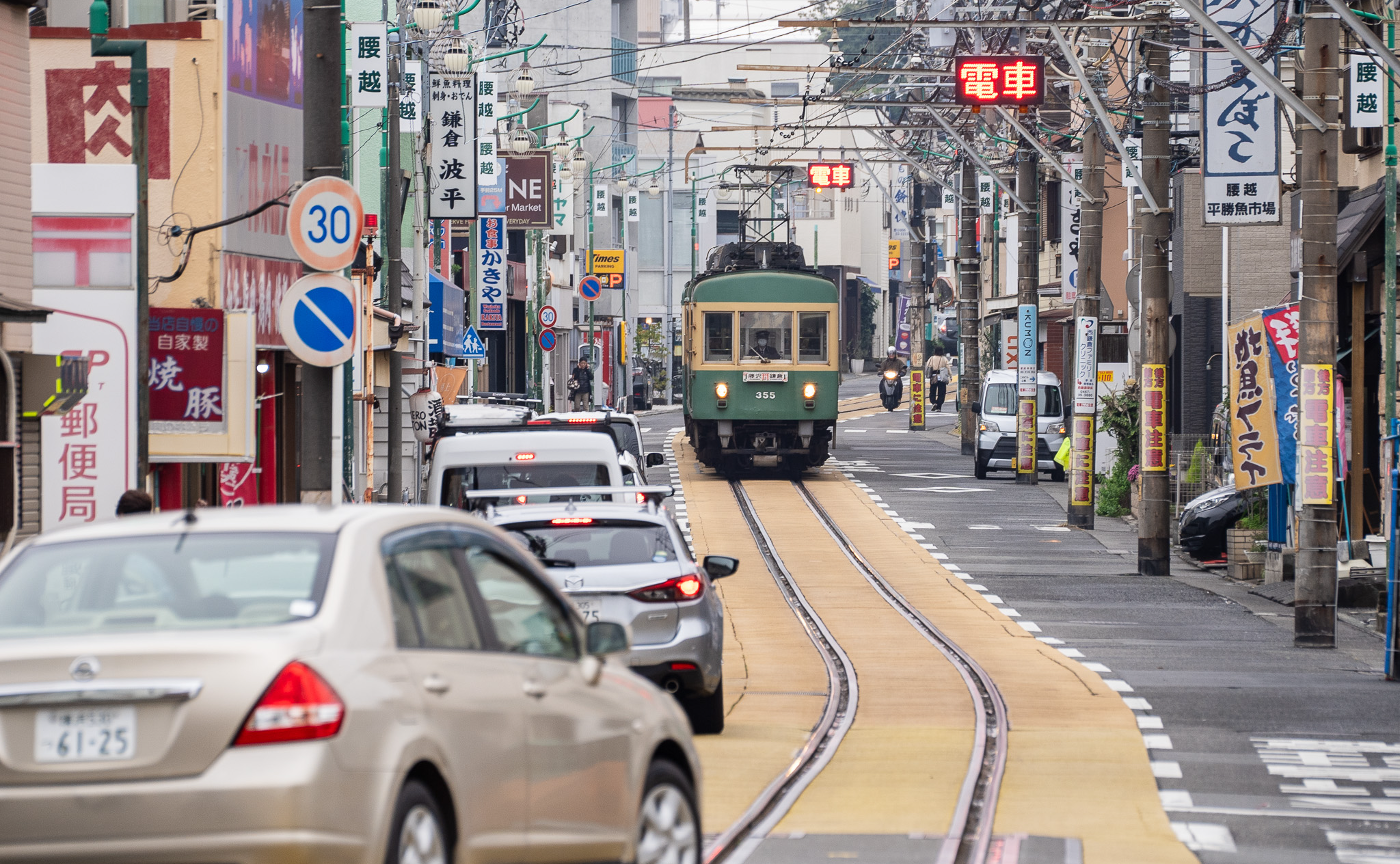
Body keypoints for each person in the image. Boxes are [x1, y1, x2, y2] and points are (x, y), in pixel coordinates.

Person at [925, 345, 950, 412]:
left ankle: (934, 402)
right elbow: (948, 367)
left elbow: (928, 366)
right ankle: (939, 406)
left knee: (932, 391)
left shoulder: (931, 358)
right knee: (942, 392)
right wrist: (950, 375)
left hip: (934, 376)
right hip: (942, 377)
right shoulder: (944, 359)